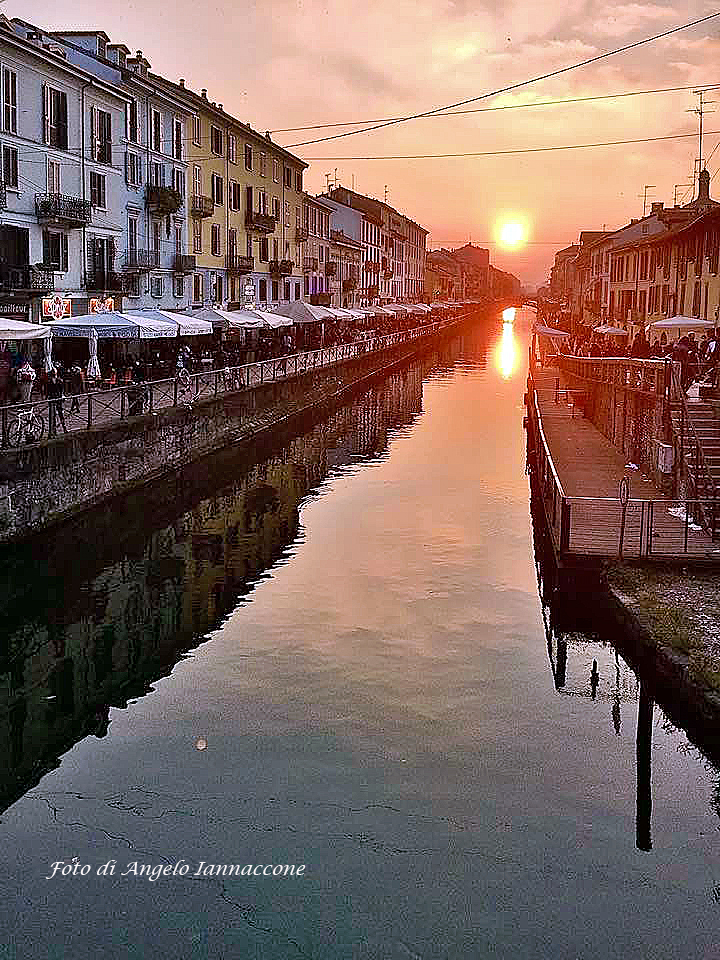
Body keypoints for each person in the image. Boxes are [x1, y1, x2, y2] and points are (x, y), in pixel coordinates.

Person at [46, 366, 67, 434]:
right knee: (53, 415)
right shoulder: (49, 381)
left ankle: (64, 428)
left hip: (58, 399)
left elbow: (62, 390)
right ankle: (54, 430)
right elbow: (48, 391)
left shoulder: (59, 380)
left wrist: (62, 396)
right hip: (52, 399)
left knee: (60, 414)